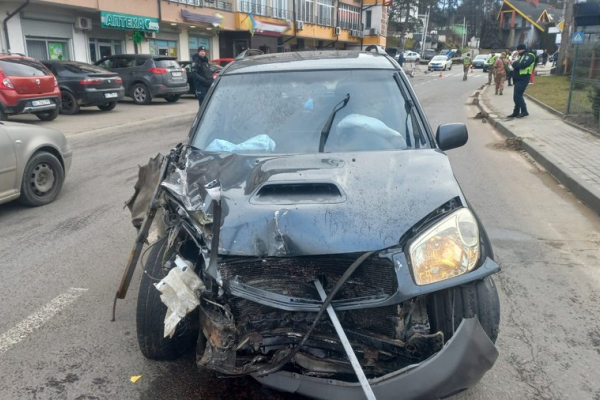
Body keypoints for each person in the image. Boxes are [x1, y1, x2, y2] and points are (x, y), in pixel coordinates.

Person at [507, 43, 536, 118]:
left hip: (524, 78)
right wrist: (514, 63)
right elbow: (518, 63)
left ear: (522, 49)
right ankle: (516, 112)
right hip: (518, 78)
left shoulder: (529, 55)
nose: (517, 52)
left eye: (518, 50)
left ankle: (524, 111)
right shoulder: (523, 56)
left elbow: (522, 65)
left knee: (518, 95)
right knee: (516, 96)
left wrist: (513, 64)